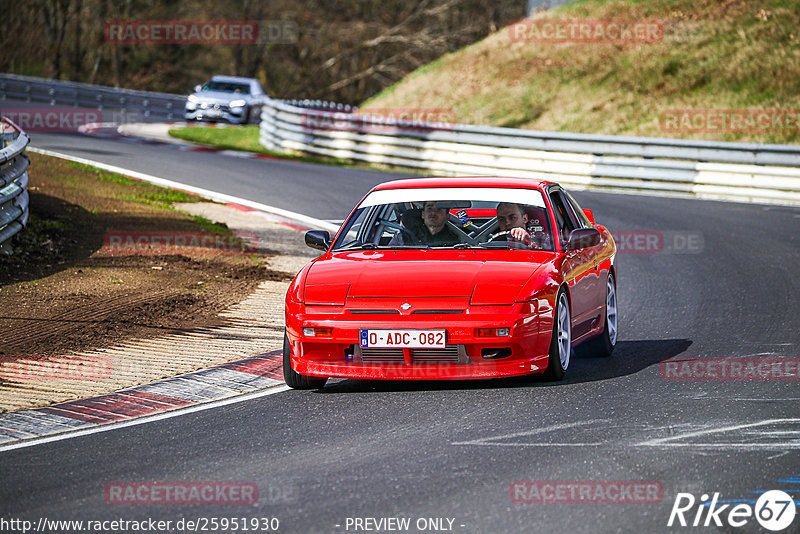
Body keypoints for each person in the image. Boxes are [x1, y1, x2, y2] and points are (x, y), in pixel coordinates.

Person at [390, 201, 459, 246]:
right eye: (429, 209)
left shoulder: (455, 241)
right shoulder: (404, 237)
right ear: (423, 214)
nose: (433, 213)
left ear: (447, 217)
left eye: (439, 210)